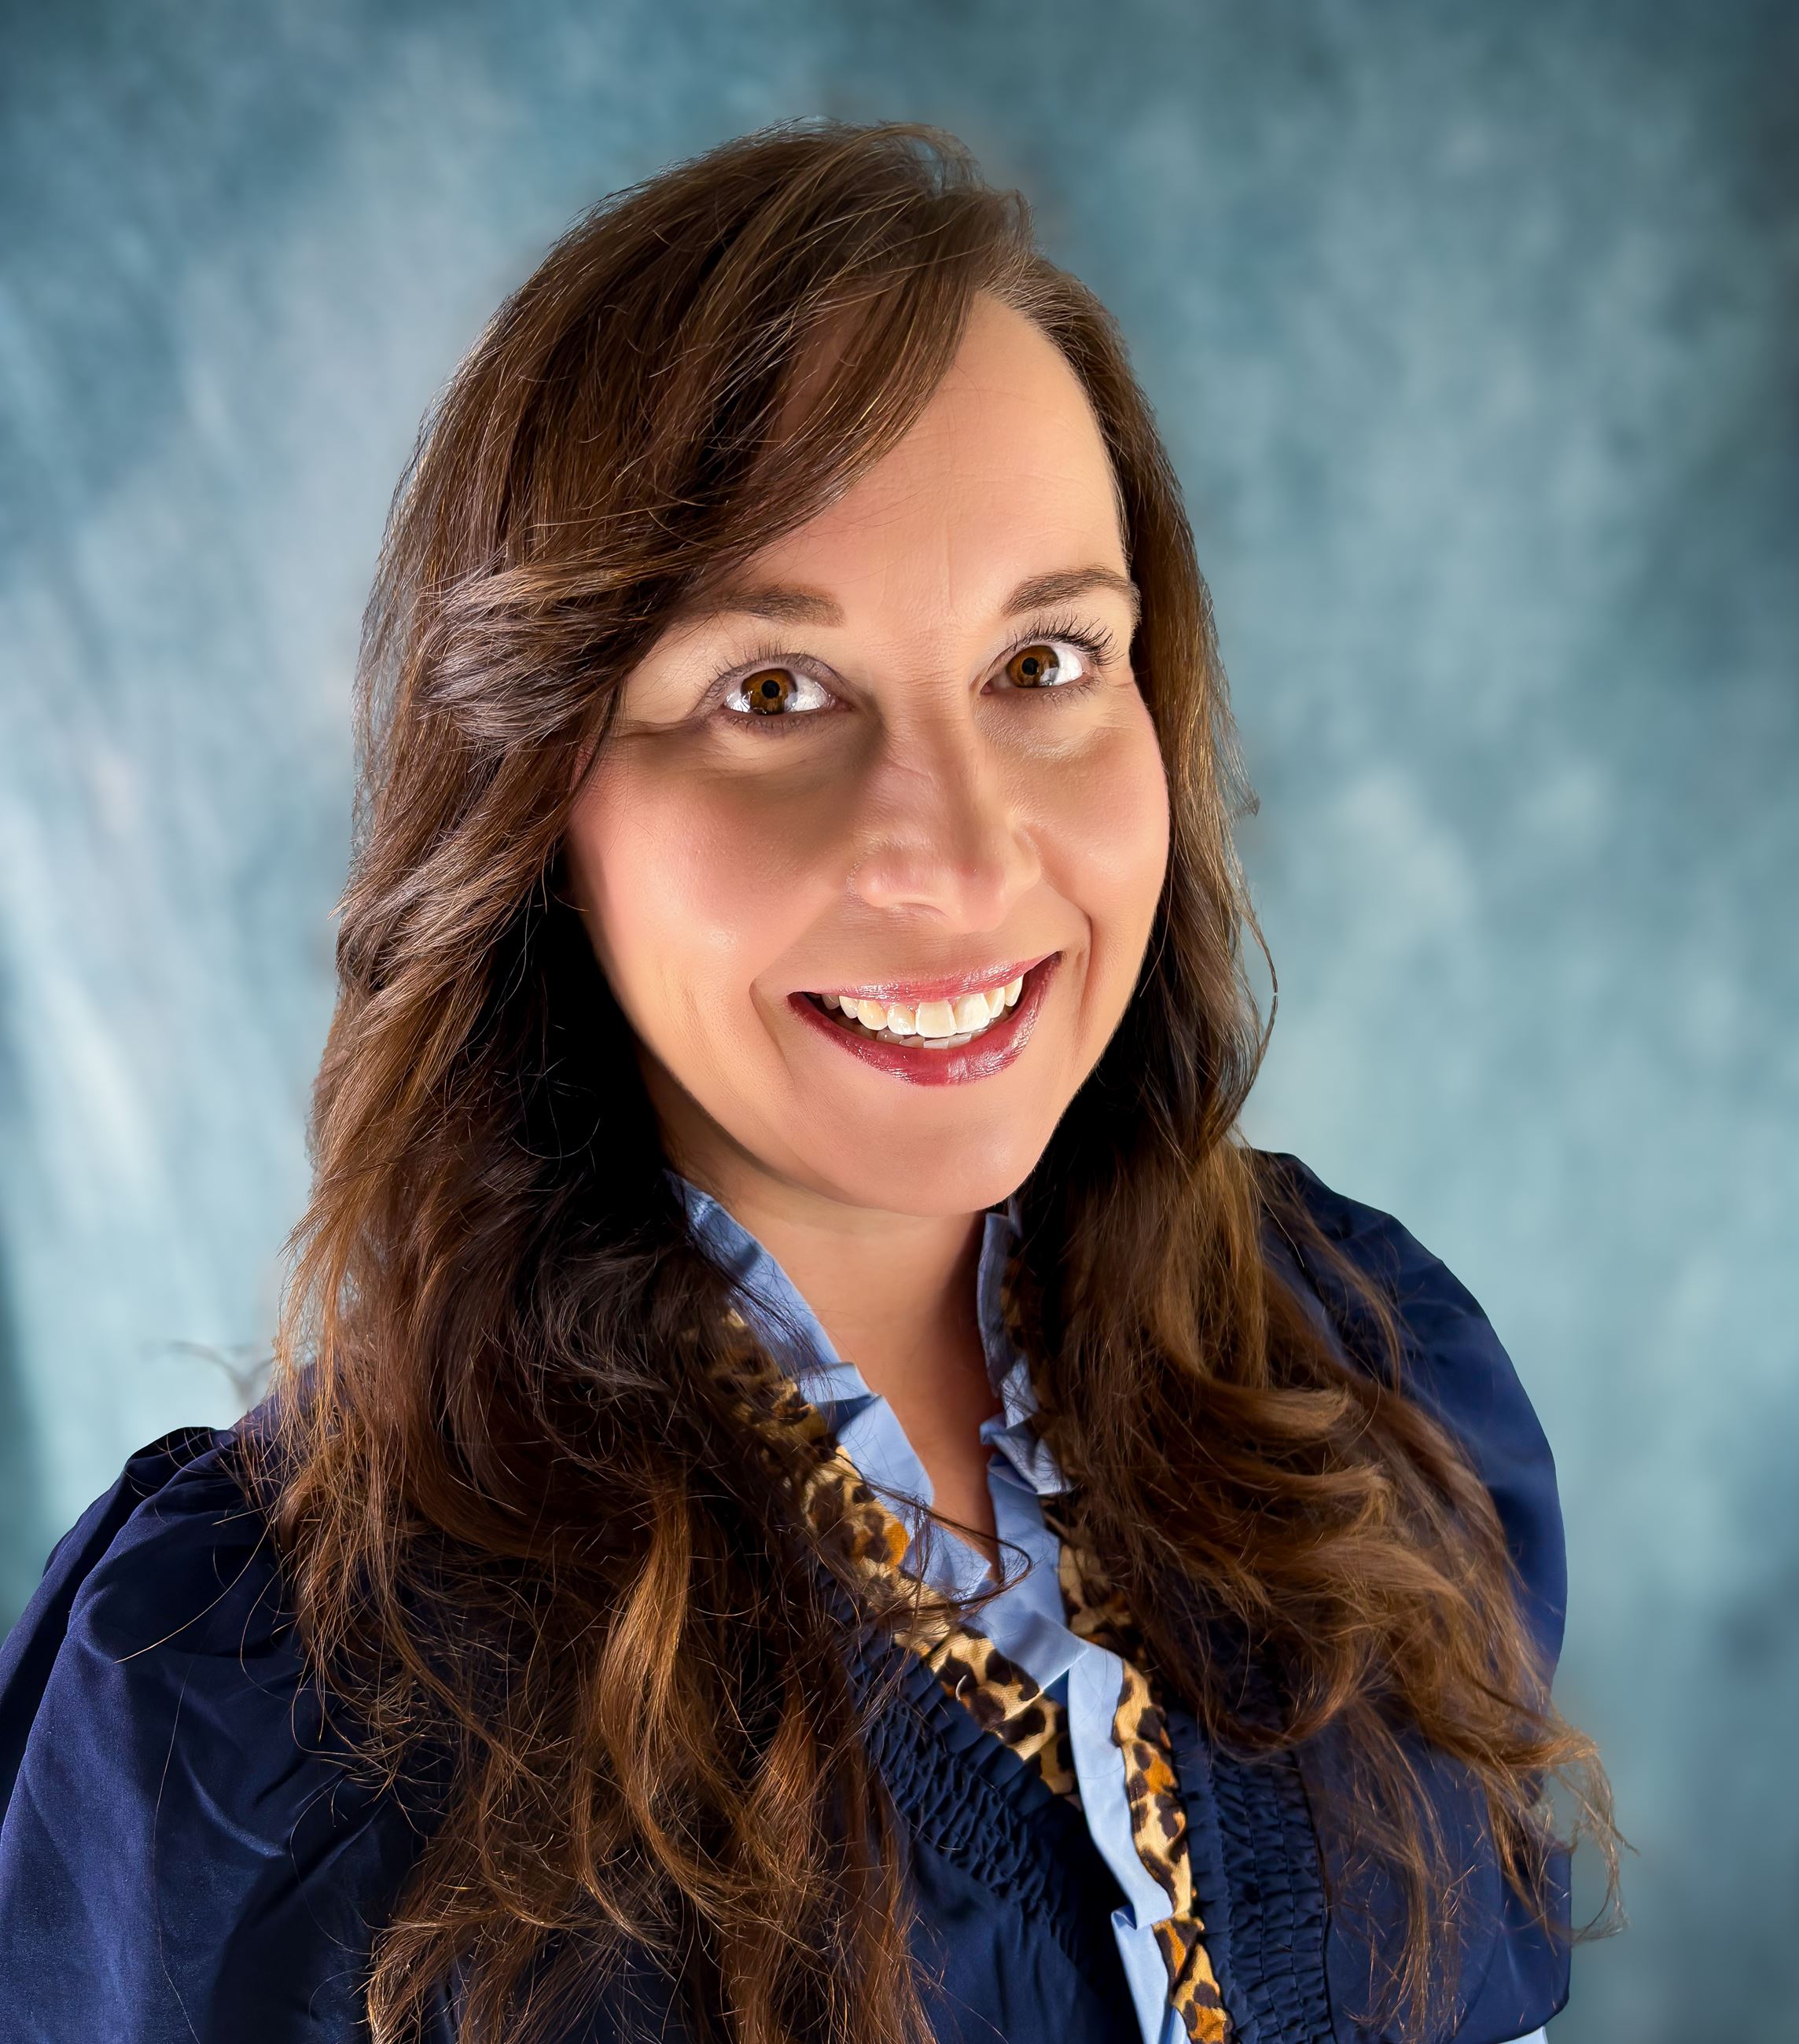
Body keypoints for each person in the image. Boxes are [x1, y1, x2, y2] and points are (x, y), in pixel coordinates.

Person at [0, 121, 1615, 2044]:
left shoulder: (1372, 1383)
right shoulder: (253, 1696)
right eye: (772, 693)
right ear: (536, 803)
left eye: (1043, 659)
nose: (960, 856)